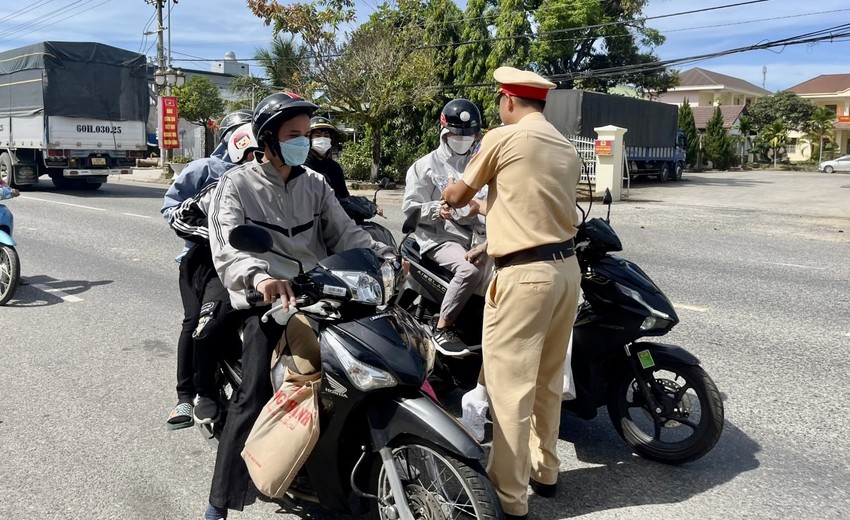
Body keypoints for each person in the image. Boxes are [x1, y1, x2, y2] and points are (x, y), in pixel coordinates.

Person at [204, 92, 390, 520]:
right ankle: (219, 505)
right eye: (294, 135)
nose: (304, 143)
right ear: (267, 139)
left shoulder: (316, 184)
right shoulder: (236, 185)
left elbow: (346, 234)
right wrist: (260, 276)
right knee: (252, 397)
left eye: (307, 135)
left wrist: (384, 255)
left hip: (323, 292)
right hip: (265, 300)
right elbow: (227, 247)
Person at [442, 67, 582, 520]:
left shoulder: (504, 138)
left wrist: (453, 194)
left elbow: (459, 195)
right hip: (566, 271)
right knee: (547, 378)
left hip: (524, 278)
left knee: (509, 388)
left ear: (507, 101)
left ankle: (508, 497)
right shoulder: (565, 146)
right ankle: (545, 470)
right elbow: (530, 206)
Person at [161, 109, 254, 431]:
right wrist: (213, 235)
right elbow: (172, 211)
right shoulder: (205, 171)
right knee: (199, 324)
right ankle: (189, 394)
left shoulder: (271, 175)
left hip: (255, 259)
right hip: (205, 261)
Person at [402, 98, 487, 355]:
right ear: (444, 133)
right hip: (439, 238)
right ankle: (443, 327)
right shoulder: (424, 167)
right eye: (456, 135)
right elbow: (411, 209)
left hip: (476, 237)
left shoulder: (479, 166)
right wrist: (437, 209)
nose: (462, 140)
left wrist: (475, 209)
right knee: (468, 273)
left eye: (468, 135)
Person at [304, 116, 349, 199]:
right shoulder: (302, 167)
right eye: (317, 136)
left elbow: (344, 197)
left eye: (326, 136)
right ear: (309, 139)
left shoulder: (335, 167)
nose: (322, 139)